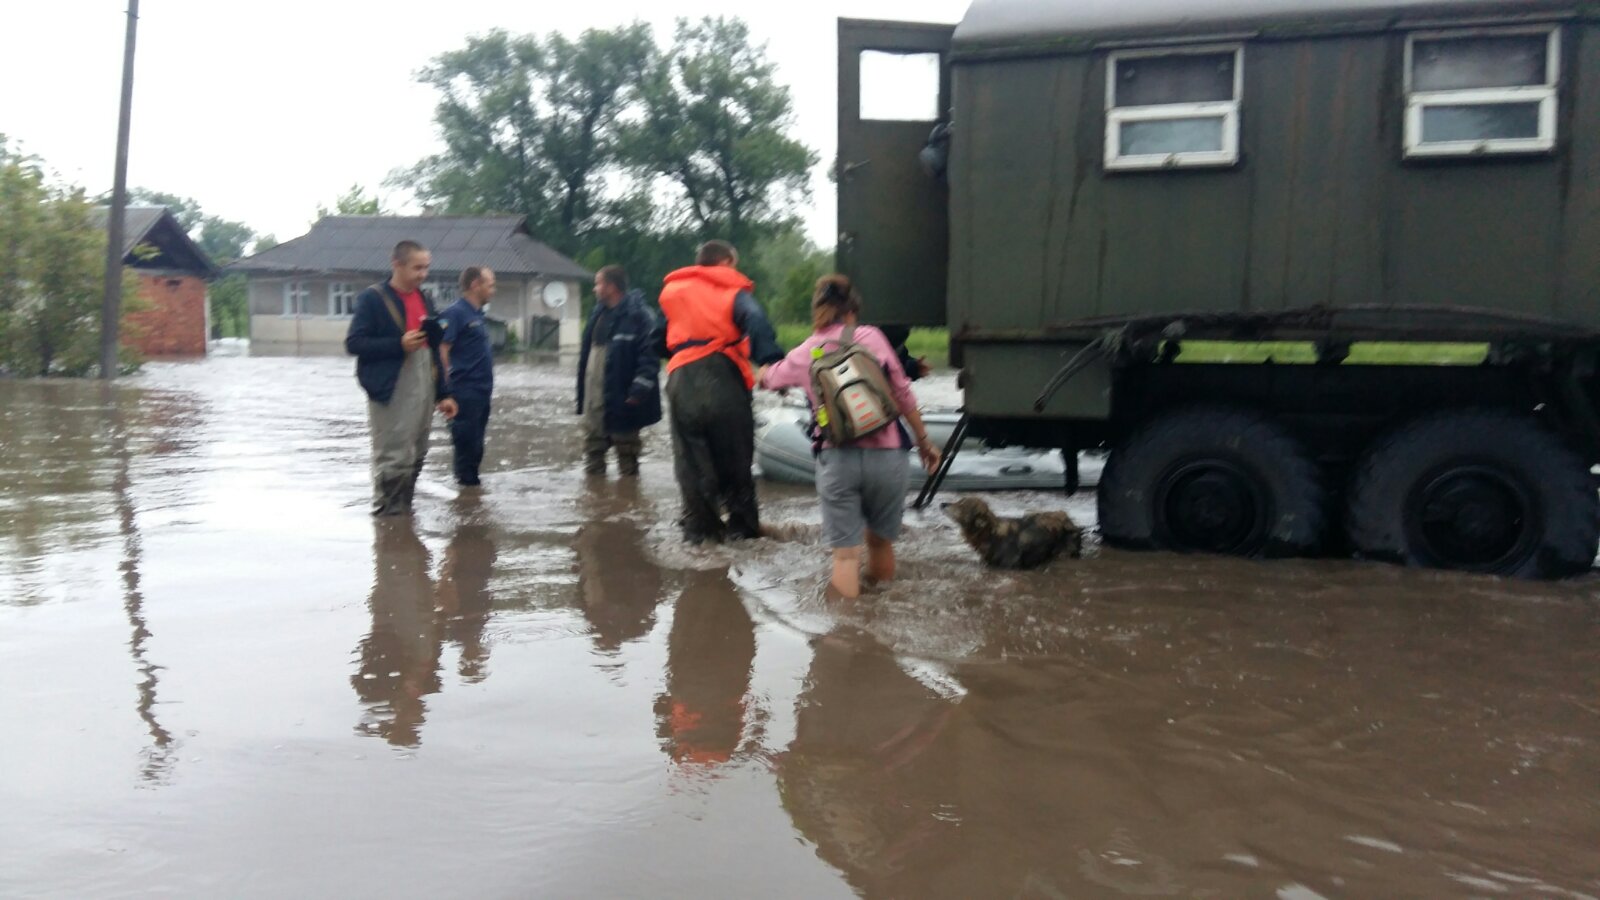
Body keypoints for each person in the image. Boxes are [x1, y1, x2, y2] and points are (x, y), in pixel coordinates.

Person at [756, 275, 941, 598]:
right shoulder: (873, 338)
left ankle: (845, 634)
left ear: (817, 310)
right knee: (881, 543)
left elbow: (770, 380)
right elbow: (903, 393)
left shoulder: (806, 351)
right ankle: (879, 623)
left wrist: (763, 373)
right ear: (853, 310)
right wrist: (924, 442)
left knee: (845, 555)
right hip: (888, 457)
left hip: (837, 457)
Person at [657, 241, 785, 543]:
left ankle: (701, 534)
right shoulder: (731, 290)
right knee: (736, 459)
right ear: (726, 262)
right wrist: (771, 361)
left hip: (681, 379)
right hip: (722, 378)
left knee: (690, 463)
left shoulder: (676, 294)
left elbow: (657, 340)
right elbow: (754, 319)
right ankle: (743, 533)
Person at [345, 240, 457, 516]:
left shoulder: (424, 298)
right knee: (393, 455)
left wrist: (443, 393)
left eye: (426, 268)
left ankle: (403, 515)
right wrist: (398, 344)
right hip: (391, 386)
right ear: (396, 264)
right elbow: (354, 343)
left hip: (424, 383)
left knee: (417, 452)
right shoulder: (372, 299)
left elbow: (433, 349)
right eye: (417, 268)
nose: (423, 274)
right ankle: (388, 520)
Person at [575, 265, 663, 477]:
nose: (594, 289)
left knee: (627, 450)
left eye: (598, 284)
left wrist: (638, 390)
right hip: (595, 394)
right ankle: (596, 498)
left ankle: (629, 497)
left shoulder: (640, 316)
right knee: (593, 447)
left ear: (611, 287)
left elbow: (650, 357)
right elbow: (587, 356)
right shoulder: (597, 314)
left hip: (624, 394)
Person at [439, 266, 497, 487]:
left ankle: (469, 500)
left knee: (476, 449)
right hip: (463, 393)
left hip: (481, 393)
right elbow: (442, 350)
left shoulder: (477, 315)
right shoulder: (454, 313)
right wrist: (446, 391)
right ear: (475, 284)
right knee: (466, 448)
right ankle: (465, 505)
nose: (493, 290)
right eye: (490, 285)